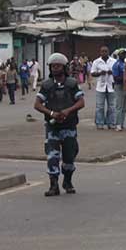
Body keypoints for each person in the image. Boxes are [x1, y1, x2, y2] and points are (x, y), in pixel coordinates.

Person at [33, 53, 85, 197]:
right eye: (53, 66)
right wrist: (51, 113)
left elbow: (81, 102)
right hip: (52, 127)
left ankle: (67, 182)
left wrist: (68, 111)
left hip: (69, 126)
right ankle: (53, 185)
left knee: (69, 156)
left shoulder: (72, 83)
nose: (55, 68)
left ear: (64, 67)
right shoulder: (46, 85)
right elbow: (37, 104)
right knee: (52, 156)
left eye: (58, 66)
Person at [90, 45, 116, 130]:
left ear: (108, 52)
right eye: (102, 51)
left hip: (111, 86)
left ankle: (111, 123)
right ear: (100, 52)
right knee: (100, 106)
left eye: (105, 51)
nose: (104, 53)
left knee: (111, 106)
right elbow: (92, 73)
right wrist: (100, 73)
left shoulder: (113, 61)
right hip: (100, 87)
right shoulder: (96, 62)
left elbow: (117, 72)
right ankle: (99, 123)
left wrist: (112, 72)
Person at [112, 52, 126, 131]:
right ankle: (117, 124)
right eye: (122, 54)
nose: (124, 55)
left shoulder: (125, 64)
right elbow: (115, 77)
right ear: (119, 55)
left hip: (125, 86)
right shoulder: (116, 64)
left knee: (124, 107)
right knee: (119, 106)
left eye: (125, 54)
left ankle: (121, 123)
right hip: (119, 86)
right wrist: (125, 78)